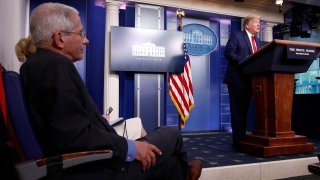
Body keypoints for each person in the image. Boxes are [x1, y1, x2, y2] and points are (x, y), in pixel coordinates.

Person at [16, 3, 202, 180]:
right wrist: (131, 147)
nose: (86, 40)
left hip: (88, 163)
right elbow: (74, 137)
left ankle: (183, 171)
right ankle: (186, 171)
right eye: (81, 33)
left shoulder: (34, 65)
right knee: (171, 134)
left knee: (170, 165)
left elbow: (65, 122)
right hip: (96, 168)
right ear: (59, 38)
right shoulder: (56, 65)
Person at [223, 15, 262, 148]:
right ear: (247, 25)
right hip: (236, 80)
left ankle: (244, 138)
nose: (258, 25)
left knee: (245, 112)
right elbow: (228, 53)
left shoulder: (258, 41)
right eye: (256, 22)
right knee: (237, 112)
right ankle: (238, 141)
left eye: (259, 23)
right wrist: (244, 61)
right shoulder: (237, 36)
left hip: (251, 81)